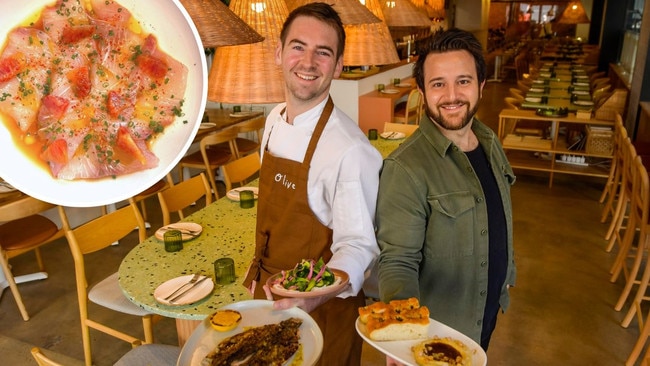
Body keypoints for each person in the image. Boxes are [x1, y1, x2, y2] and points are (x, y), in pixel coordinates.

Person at [242, 3, 383, 365]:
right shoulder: (273, 119)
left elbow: (359, 245)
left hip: (322, 312)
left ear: (337, 65)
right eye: (298, 46)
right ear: (279, 52)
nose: (308, 62)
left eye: (323, 53)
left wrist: (313, 296)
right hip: (267, 295)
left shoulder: (351, 150)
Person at [375, 28, 517, 355]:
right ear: (422, 92)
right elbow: (397, 261)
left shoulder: (490, 142)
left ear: (482, 86)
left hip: (483, 312)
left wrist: (506, 272)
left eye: (463, 81)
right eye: (438, 84)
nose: (452, 95)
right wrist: (401, 333)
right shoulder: (406, 168)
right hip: (434, 336)